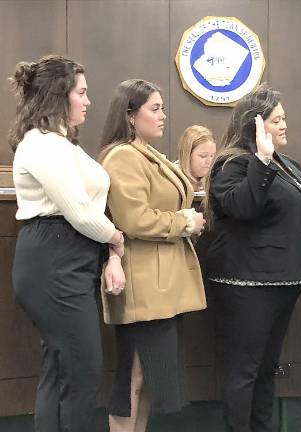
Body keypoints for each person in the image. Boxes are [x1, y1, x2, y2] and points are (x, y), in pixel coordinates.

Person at [8, 54, 125, 432]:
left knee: (61, 370)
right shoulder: (42, 144)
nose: (88, 101)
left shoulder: (61, 144)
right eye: (82, 93)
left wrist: (106, 248)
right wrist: (116, 240)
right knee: (81, 373)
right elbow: (79, 211)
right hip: (53, 258)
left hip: (67, 258)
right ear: (59, 95)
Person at [205, 83, 301, 432]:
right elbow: (243, 207)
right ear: (255, 125)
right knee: (244, 371)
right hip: (248, 284)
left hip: (282, 281)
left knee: (265, 368)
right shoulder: (233, 163)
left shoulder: (286, 163)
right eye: (277, 120)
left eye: (284, 118)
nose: (285, 124)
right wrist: (260, 158)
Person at [99, 79, 207, 432]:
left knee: (147, 379)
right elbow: (134, 219)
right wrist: (184, 222)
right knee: (133, 374)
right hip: (144, 284)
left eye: (163, 108)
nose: (163, 116)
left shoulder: (145, 152)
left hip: (160, 285)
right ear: (130, 116)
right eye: (155, 109)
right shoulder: (123, 156)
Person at [175, 125, 217, 192]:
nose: (209, 161)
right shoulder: (171, 179)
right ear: (187, 155)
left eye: (212, 156)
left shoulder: (216, 179)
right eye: (203, 156)